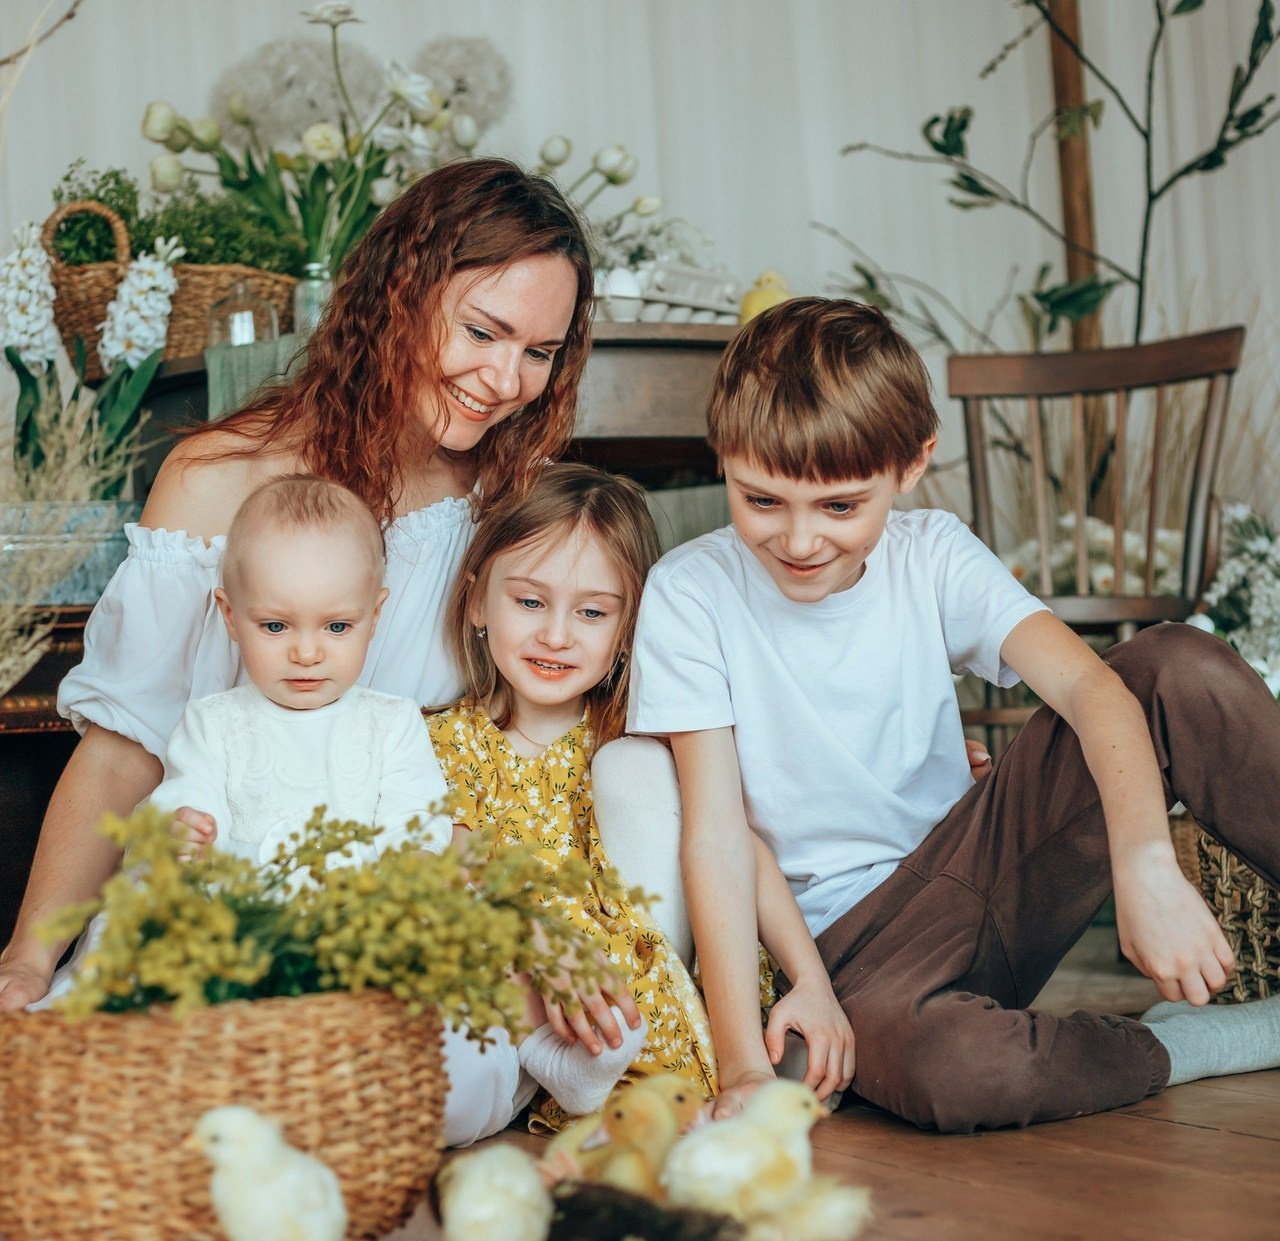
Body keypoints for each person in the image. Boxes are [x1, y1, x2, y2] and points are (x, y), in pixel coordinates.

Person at [1, 158, 596, 1147]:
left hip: (402, 912)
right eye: (481, 331)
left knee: (415, 1075)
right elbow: (121, 751)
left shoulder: (508, 495)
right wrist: (28, 953)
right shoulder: (217, 479)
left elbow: (534, 742)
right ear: (396, 296)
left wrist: (535, 923)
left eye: (538, 351)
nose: (505, 380)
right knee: (115, 1071)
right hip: (214, 898)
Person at [627, 297, 1280, 1132]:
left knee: (1176, 663)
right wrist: (745, 1067)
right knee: (957, 1073)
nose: (797, 540)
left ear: (911, 465)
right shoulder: (689, 593)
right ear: (722, 458)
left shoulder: (931, 552)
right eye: (762, 501)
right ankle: (1192, 1044)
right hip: (850, 955)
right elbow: (716, 837)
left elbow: (1094, 689)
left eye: (839, 507)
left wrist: (1145, 862)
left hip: (978, 864)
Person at [37, 474, 452, 1006]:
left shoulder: (392, 723)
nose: (307, 653)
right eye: (276, 627)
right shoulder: (214, 722)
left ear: (374, 615)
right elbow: (190, 794)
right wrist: (185, 829)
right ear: (231, 616)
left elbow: (418, 819)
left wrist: (404, 873)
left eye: (337, 627)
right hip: (237, 928)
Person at [427, 462, 718, 1131]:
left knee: (638, 771)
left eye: (591, 613)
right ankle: (562, 1069)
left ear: (627, 628)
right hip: (526, 971)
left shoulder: (640, 739)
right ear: (477, 603)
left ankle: (659, 1064)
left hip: (632, 961)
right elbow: (461, 874)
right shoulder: (450, 742)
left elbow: (737, 835)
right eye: (530, 602)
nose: (556, 635)